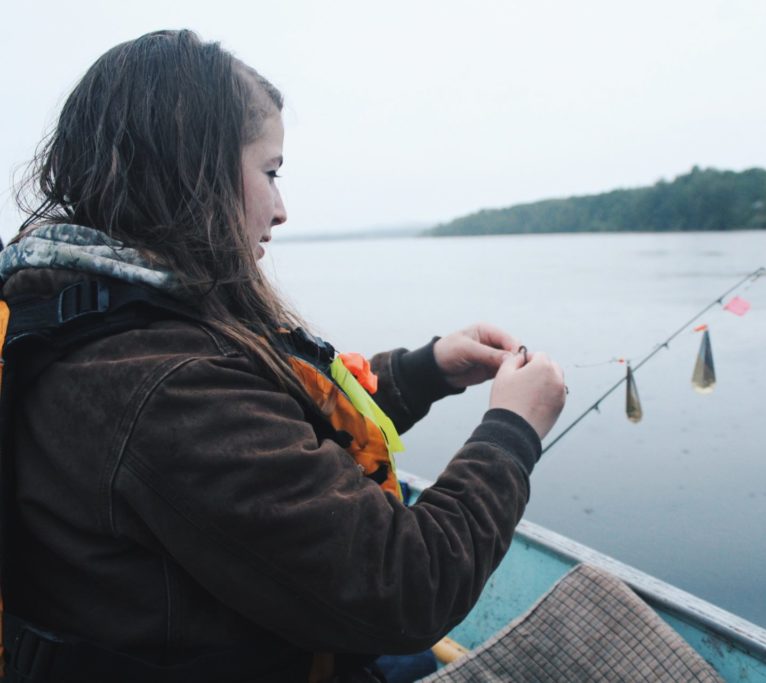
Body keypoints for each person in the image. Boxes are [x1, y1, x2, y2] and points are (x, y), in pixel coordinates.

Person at [0, 29, 565, 682]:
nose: (282, 208)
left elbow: (266, 422)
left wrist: (425, 369)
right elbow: (407, 585)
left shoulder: (98, 318)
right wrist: (512, 432)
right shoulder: (162, 387)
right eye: (270, 172)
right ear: (196, 172)